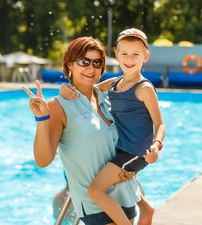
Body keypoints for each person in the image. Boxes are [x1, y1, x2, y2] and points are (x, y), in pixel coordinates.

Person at [22, 37, 147, 225]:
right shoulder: (58, 106)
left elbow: (132, 80)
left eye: (97, 63)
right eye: (84, 62)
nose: (91, 68)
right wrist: (41, 119)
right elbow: (43, 160)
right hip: (95, 207)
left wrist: (130, 169)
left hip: (126, 196)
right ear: (70, 64)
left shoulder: (105, 99)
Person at [59, 28, 166, 224]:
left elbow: (160, 123)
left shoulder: (144, 88)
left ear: (146, 56)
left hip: (134, 151)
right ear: (116, 55)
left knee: (95, 190)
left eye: (136, 54)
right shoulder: (115, 83)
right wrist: (65, 87)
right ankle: (146, 209)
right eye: (124, 53)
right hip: (121, 149)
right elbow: (89, 89)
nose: (129, 58)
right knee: (121, 184)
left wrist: (156, 146)